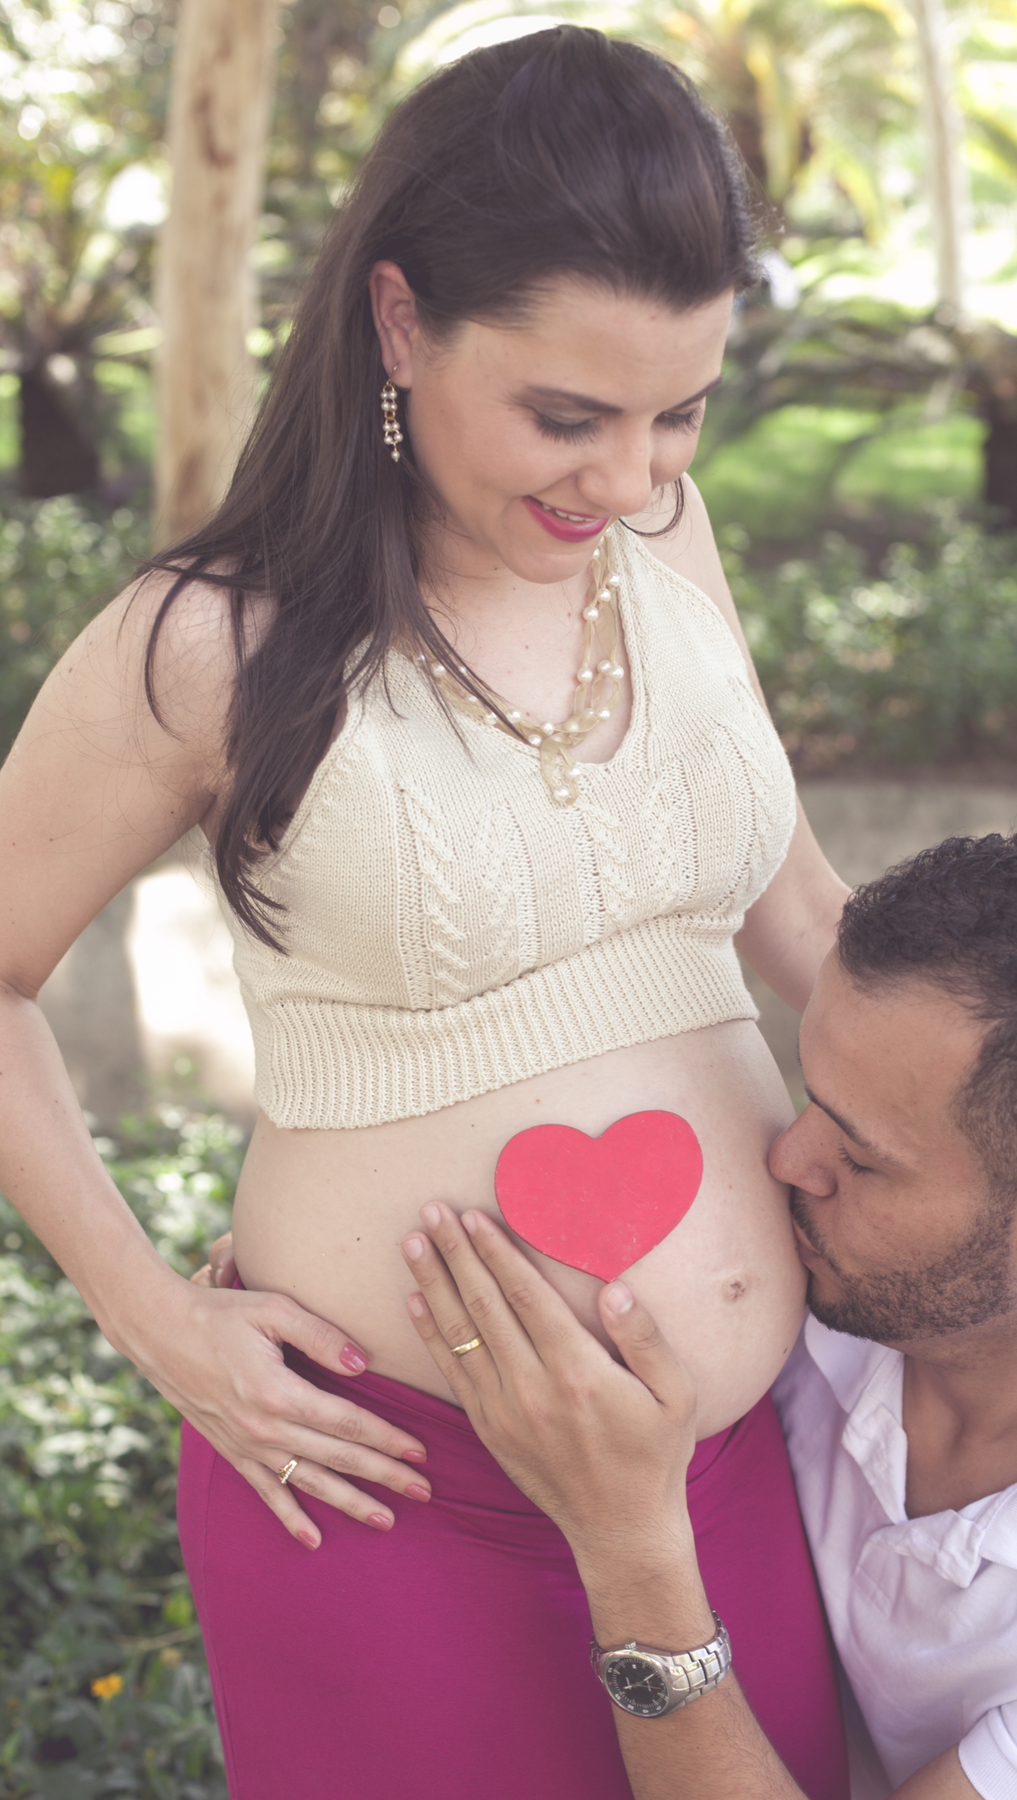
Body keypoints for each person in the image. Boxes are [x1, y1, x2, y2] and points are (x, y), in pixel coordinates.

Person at [0, 26, 854, 1799]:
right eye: (568, 415)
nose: (625, 479)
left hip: (728, 1466)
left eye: (678, 413)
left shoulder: (666, 546)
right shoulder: (204, 645)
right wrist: (159, 1325)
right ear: (400, 324)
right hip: (382, 1495)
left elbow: (802, 919)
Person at [400, 825, 1017, 1800]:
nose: (788, 1160)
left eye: (861, 1158)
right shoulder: (853, 1260)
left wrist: (630, 1550)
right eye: (807, 1095)